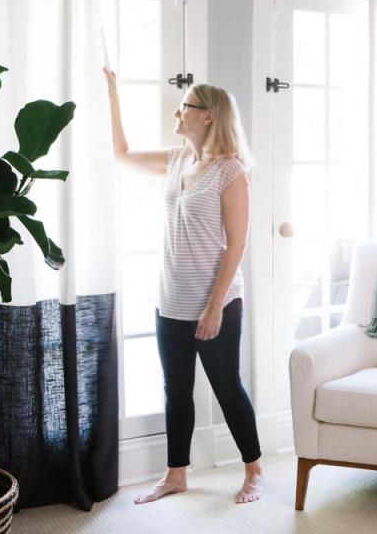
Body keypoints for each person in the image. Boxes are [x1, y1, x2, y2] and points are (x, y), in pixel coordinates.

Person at [104, 68, 263, 504]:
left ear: (208, 116)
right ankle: (176, 474)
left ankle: (254, 470)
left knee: (226, 385)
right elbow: (122, 154)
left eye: (185, 106)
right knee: (176, 388)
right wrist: (114, 93)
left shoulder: (231, 171)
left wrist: (213, 308)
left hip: (216, 301)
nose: (177, 112)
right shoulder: (176, 160)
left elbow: (237, 245)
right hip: (170, 297)